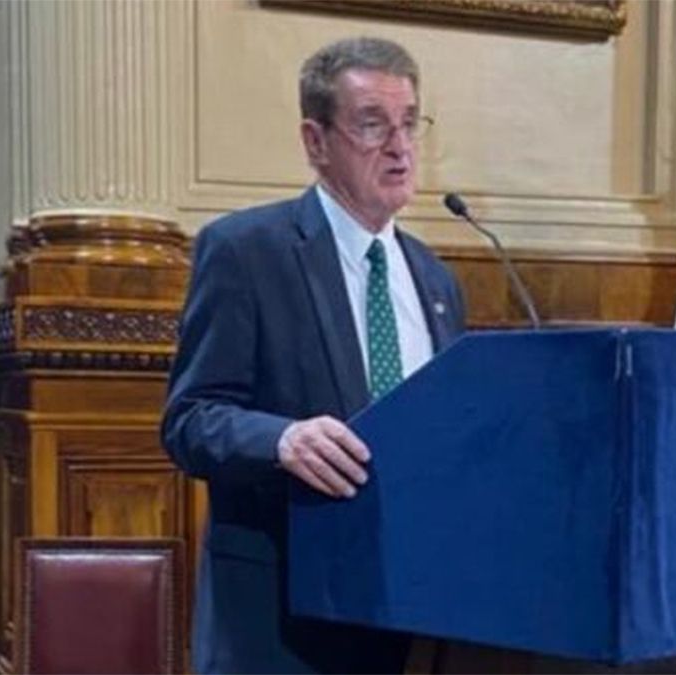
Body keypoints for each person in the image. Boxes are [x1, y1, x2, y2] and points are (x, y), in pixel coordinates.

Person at [162, 37, 467, 673]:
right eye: (371, 124)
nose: (400, 146)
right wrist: (283, 440)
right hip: (284, 624)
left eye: (411, 123)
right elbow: (190, 420)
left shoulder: (435, 280)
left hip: (416, 618)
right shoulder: (246, 251)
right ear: (315, 141)